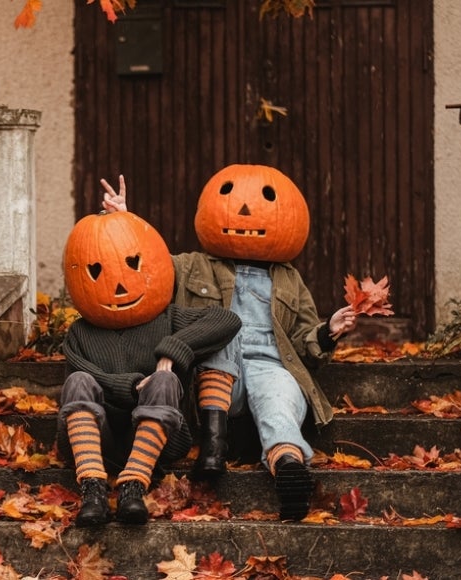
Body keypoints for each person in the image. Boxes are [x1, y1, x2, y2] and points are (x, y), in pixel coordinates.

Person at [101, 167, 357, 521]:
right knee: (222, 331)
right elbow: (148, 266)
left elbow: (303, 343)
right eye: (230, 198)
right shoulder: (192, 266)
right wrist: (126, 225)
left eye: (266, 201)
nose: (246, 212)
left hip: (271, 364)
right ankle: (213, 446)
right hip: (216, 380)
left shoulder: (289, 279)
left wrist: (327, 330)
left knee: (279, 397)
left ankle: (288, 466)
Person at [57, 209, 241, 527]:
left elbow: (227, 319)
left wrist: (173, 350)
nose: (117, 285)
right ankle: (93, 489)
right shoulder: (80, 333)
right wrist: (130, 385)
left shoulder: (168, 318)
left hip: (161, 439)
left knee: (164, 381)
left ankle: (133, 485)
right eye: (96, 270)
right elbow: (85, 374)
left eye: (132, 265)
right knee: (78, 380)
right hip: (98, 439)